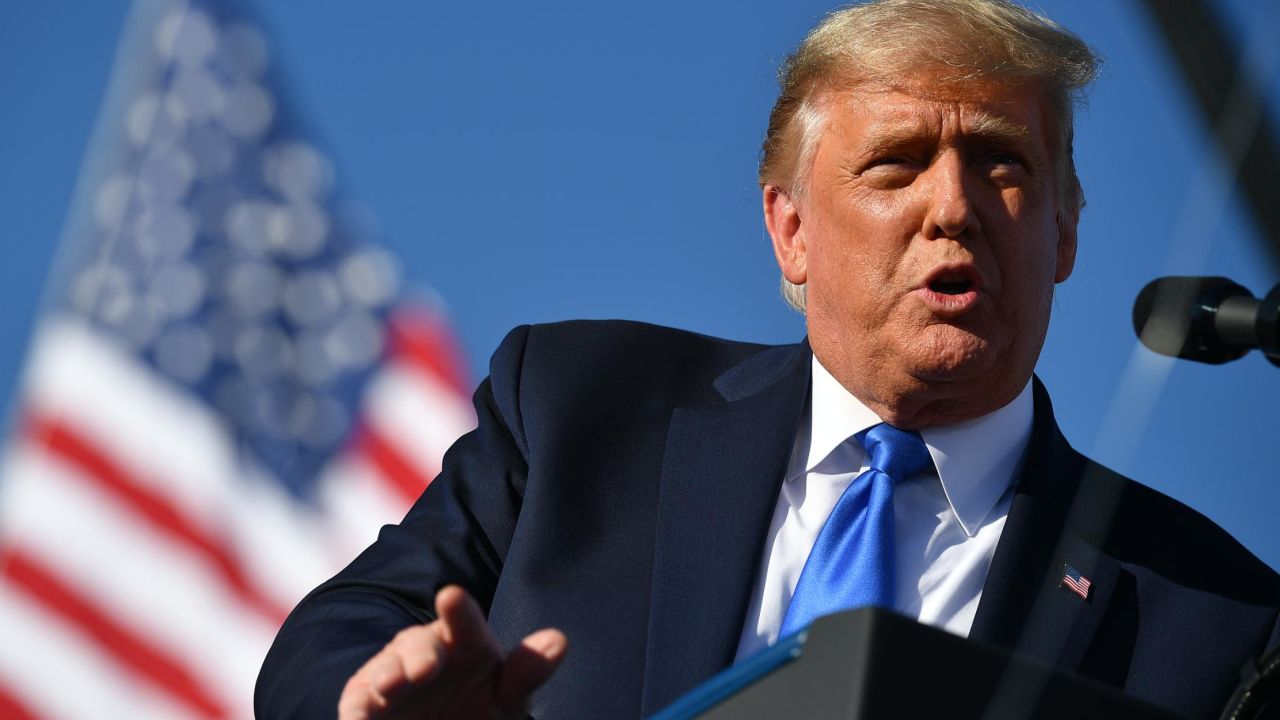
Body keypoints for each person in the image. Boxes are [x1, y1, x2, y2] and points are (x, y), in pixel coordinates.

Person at [256, 1, 1280, 718]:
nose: (953, 207)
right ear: (789, 232)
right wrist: (374, 700)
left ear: (1062, 235)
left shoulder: (1212, 616)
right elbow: (343, 626)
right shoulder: (581, 413)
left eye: (1001, 164)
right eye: (896, 163)